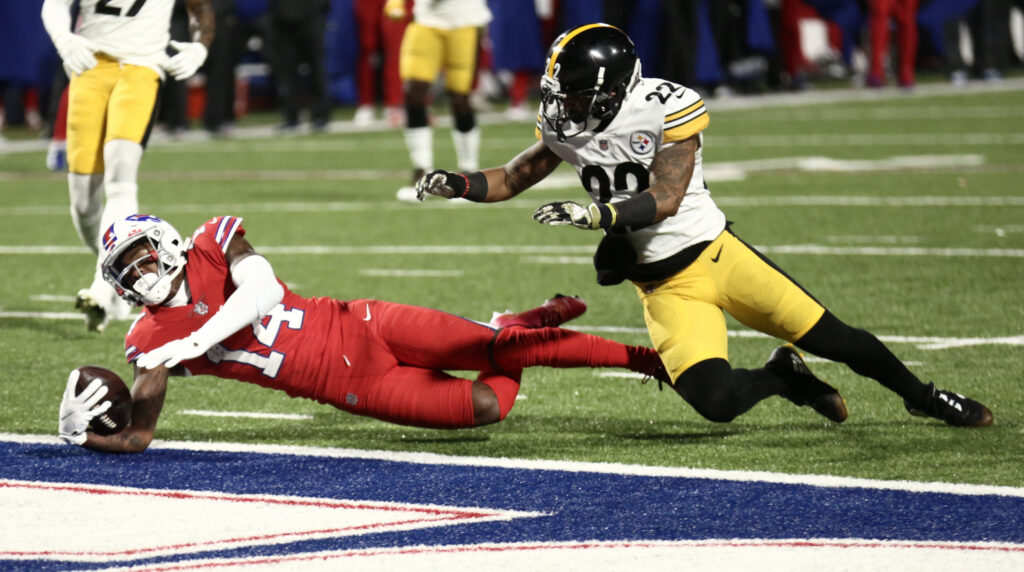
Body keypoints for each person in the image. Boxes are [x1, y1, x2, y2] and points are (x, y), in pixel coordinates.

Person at [414, 23, 993, 428]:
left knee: (836, 339)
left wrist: (598, 214)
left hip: (716, 255)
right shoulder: (571, 124)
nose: (565, 107)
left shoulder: (665, 106)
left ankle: (925, 397)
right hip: (662, 285)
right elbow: (514, 176)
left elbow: (666, 197)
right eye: (561, 94)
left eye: (577, 95)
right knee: (716, 403)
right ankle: (784, 377)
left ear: (614, 90)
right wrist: (456, 183)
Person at [56, 214, 669, 452]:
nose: (138, 273)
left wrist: (194, 342)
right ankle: (514, 322)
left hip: (361, 322)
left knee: (495, 350)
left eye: (140, 256)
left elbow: (264, 290)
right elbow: (138, 434)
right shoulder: (147, 339)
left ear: (164, 243)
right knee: (489, 406)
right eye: (124, 270)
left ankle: (646, 359)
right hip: (351, 387)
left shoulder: (214, 243)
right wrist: (85, 433)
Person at [41, 0, 214, 333]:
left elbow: (201, 7)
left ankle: (101, 288)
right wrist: (64, 39)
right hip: (90, 66)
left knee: (121, 179)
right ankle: (119, 277)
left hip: (142, 67)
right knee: (83, 202)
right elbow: (55, 4)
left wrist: (200, 47)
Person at [393, 0, 492, 202]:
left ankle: (469, 172)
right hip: (426, 20)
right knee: (413, 91)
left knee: (459, 96)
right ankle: (422, 170)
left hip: (465, 20)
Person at [266, 0, 331, 132]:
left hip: (310, 15)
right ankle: (291, 117)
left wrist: (318, 8)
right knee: (286, 71)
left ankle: (320, 115)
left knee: (316, 68)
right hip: (282, 19)